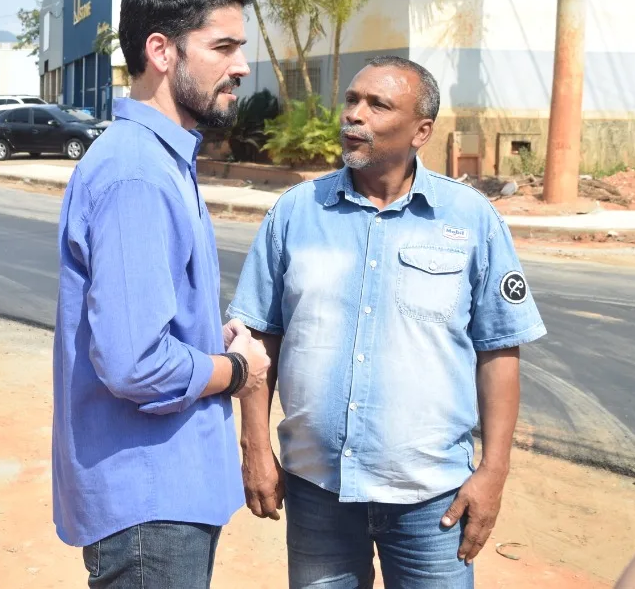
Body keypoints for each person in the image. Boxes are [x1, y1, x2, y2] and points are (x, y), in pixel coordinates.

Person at [228, 56, 547, 588]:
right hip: (318, 489)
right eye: (352, 100)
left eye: (378, 105)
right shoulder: (295, 213)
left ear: (421, 131)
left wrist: (493, 473)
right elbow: (258, 339)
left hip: (433, 500)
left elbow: (498, 351)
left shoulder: (470, 219)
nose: (355, 115)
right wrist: (256, 447)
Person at [53, 0, 272, 588]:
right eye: (223, 46)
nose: (240, 66)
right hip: (150, 504)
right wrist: (236, 371)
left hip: (165, 496)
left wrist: (211, 341)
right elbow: (134, 362)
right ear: (162, 51)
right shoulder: (137, 174)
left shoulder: (163, 161)